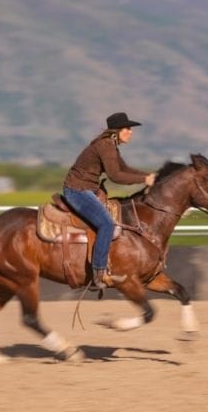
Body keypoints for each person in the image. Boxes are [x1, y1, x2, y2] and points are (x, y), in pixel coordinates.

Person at [62, 112, 156, 288]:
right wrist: (144, 180)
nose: (131, 132)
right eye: (127, 128)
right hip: (77, 190)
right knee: (107, 224)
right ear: (117, 131)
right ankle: (99, 272)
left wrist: (149, 176)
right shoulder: (106, 146)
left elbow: (124, 168)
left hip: (86, 189)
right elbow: (115, 175)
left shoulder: (110, 146)